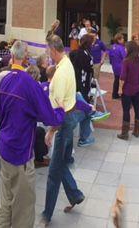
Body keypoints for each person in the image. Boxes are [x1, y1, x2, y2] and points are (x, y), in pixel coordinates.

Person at [0, 40, 65, 228]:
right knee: (24, 207)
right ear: (26, 57)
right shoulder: (29, 84)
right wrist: (61, 110)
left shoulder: (5, 79)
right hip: (20, 153)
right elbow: (50, 118)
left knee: (6, 198)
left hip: (4, 145)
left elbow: (0, 112)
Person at [41, 35, 91, 225]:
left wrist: (51, 131)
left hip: (63, 124)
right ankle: (75, 194)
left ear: (54, 50)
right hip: (69, 120)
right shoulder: (66, 63)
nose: (47, 53)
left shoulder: (61, 73)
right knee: (60, 163)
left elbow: (59, 110)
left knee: (54, 173)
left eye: (48, 50)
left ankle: (46, 214)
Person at [117, 41, 139, 140]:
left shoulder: (126, 61)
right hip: (137, 88)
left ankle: (124, 133)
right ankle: (136, 131)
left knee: (126, 110)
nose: (125, 49)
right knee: (137, 109)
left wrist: (120, 89)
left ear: (129, 49)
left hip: (127, 90)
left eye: (126, 47)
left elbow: (123, 77)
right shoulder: (138, 60)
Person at [69, 33, 94, 101]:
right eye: (91, 43)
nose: (92, 45)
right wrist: (91, 68)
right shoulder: (81, 53)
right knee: (83, 93)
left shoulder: (85, 51)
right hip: (83, 78)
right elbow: (86, 67)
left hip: (85, 77)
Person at [109, 33, 126, 99]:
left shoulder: (112, 47)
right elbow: (124, 57)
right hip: (121, 66)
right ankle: (124, 95)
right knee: (123, 81)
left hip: (115, 66)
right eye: (122, 38)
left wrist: (112, 63)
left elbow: (110, 57)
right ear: (118, 40)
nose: (123, 39)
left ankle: (114, 94)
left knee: (116, 80)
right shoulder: (121, 48)